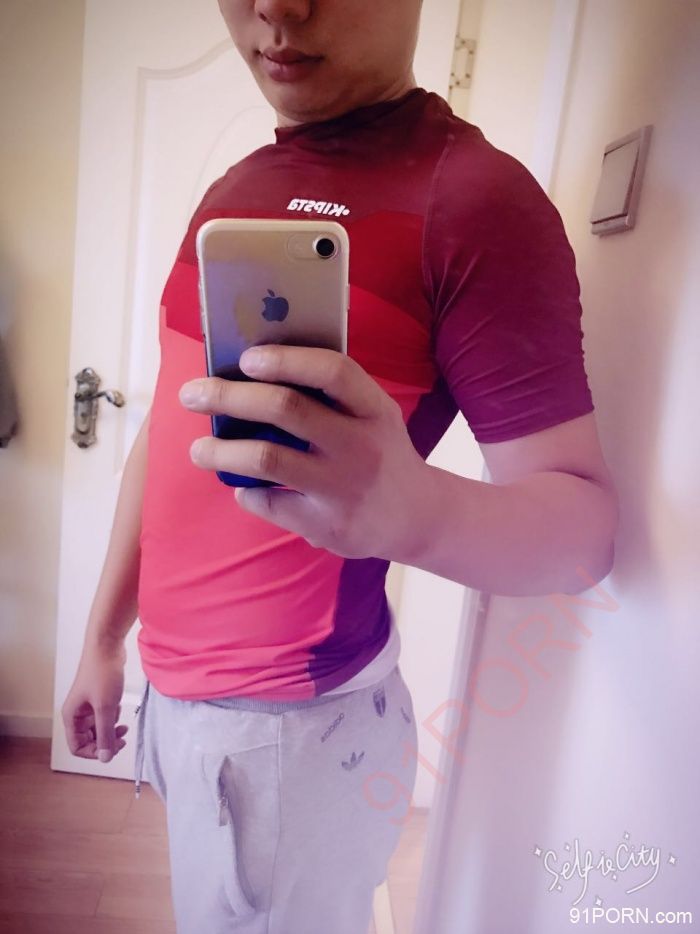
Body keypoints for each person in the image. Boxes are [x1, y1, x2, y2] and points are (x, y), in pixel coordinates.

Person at [62, 1, 620, 932]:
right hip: (181, 702)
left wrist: (418, 511)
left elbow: (585, 535)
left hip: (295, 741)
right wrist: (103, 639)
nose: (277, 7)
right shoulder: (237, 185)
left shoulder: (475, 200)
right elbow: (170, 434)